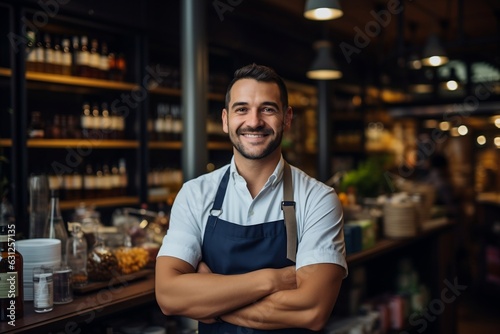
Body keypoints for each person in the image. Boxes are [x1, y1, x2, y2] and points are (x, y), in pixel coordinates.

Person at [155, 63, 347, 333]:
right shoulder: (194, 194)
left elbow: (312, 310)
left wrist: (213, 302)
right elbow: (168, 296)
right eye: (241, 109)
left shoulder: (318, 199)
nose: (254, 121)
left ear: (287, 118)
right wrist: (272, 279)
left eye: (267, 109)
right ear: (225, 120)